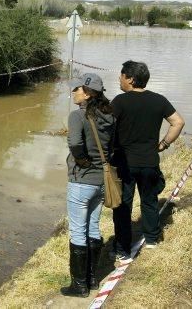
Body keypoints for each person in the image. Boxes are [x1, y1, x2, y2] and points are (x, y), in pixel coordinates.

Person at [110, 60, 185, 261]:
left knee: (123, 206)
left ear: (131, 79)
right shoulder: (159, 100)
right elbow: (178, 122)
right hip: (149, 160)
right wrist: (164, 144)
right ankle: (152, 240)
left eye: (122, 75)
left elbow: (106, 127)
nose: (119, 78)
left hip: (124, 162)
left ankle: (122, 250)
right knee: (150, 201)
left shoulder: (119, 102)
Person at [60, 73, 116, 297]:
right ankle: (92, 279)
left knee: (77, 231)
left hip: (82, 181)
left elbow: (74, 143)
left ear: (88, 93)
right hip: (101, 181)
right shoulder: (109, 115)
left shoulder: (77, 115)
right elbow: (112, 145)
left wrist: (82, 161)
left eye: (77, 89)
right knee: (93, 226)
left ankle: (79, 285)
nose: (74, 92)